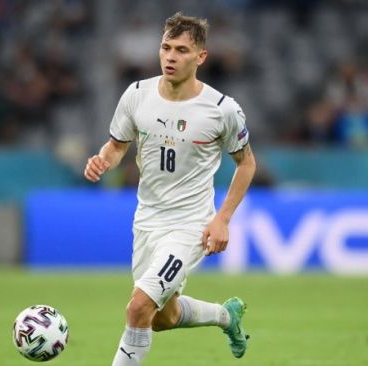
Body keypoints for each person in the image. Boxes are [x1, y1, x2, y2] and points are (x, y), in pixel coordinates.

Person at [84, 13, 256, 365]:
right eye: (166, 48)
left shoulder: (222, 110)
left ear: (201, 57)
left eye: (181, 50)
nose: (170, 57)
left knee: (137, 307)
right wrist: (103, 159)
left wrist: (222, 219)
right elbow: (117, 145)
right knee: (160, 318)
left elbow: (246, 163)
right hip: (147, 221)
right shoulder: (136, 95)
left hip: (190, 224)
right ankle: (226, 316)